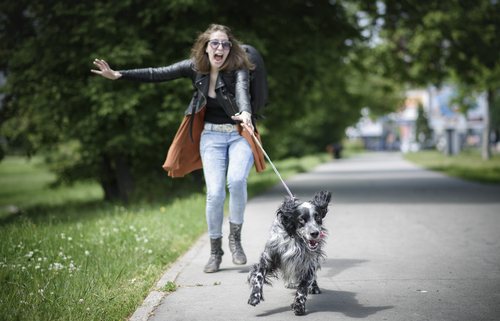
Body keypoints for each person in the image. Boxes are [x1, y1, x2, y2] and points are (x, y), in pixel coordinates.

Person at [91, 24, 266, 273]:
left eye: (226, 44)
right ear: (206, 47)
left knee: (237, 182)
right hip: (211, 136)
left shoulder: (238, 67)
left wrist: (246, 111)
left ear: (231, 48)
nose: (220, 48)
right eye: (215, 43)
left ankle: (235, 240)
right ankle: (215, 251)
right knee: (215, 193)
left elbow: (242, 89)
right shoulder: (194, 67)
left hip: (239, 134)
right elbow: (157, 73)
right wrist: (119, 74)